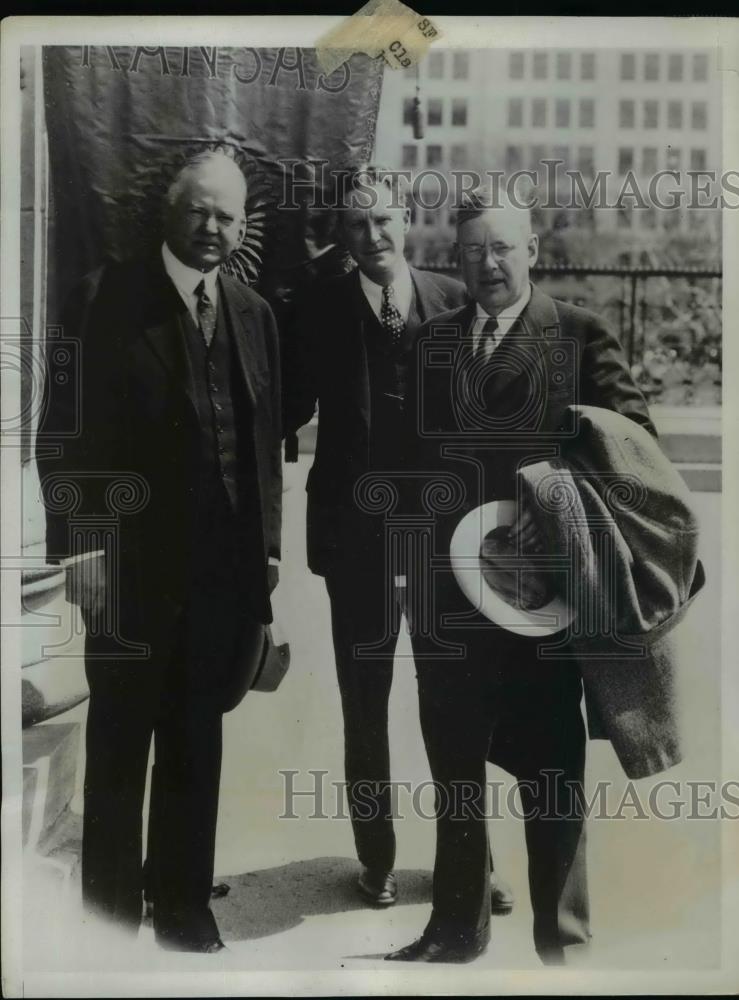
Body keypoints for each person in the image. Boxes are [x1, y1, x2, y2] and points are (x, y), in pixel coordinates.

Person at [386, 188, 659, 965]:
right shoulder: (431, 340)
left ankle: (561, 944)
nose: (488, 263)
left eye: (502, 246)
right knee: (454, 767)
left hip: (541, 602)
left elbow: (635, 448)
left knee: (550, 772)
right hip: (449, 598)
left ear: (531, 251)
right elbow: (405, 465)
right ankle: (454, 929)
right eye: (472, 250)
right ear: (458, 260)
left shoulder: (577, 334)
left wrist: (558, 506)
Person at [37, 149, 282, 953]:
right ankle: (107, 913)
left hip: (221, 575)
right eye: (198, 211)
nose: (213, 228)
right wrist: (82, 553)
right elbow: (65, 435)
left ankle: (182, 905)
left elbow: (262, 447)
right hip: (127, 567)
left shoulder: (252, 311)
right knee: (120, 738)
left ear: (243, 226)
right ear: (167, 214)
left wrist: (267, 554)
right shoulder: (104, 295)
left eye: (227, 216)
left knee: (195, 735)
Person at [283, 166, 514, 912]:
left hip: (443, 539)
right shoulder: (316, 306)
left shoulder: (453, 298)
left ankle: (470, 864)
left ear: (406, 219)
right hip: (355, 540)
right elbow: (279, 403)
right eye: (355, 224)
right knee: (365, 700)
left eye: (382, 220)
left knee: (456, 700)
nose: (372, 236)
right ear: (341, 235)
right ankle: (375, 859)